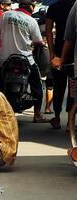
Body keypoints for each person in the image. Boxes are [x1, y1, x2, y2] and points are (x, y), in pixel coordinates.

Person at [0, 0, 48, 123]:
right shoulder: (32, 21)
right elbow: (38, 42)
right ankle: (37, 114)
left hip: (5, 58)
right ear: (30, 7)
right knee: (37, 85)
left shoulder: (6, 15)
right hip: (25, 59)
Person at [45, 0, 76, 130]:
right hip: (74, 52)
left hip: (58, 51)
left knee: (59, 86)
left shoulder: (54, 7)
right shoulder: (74, 6)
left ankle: (57, 117)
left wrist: (52, 52)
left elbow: (48, 30)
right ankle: (70, 122)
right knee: (73, 88)